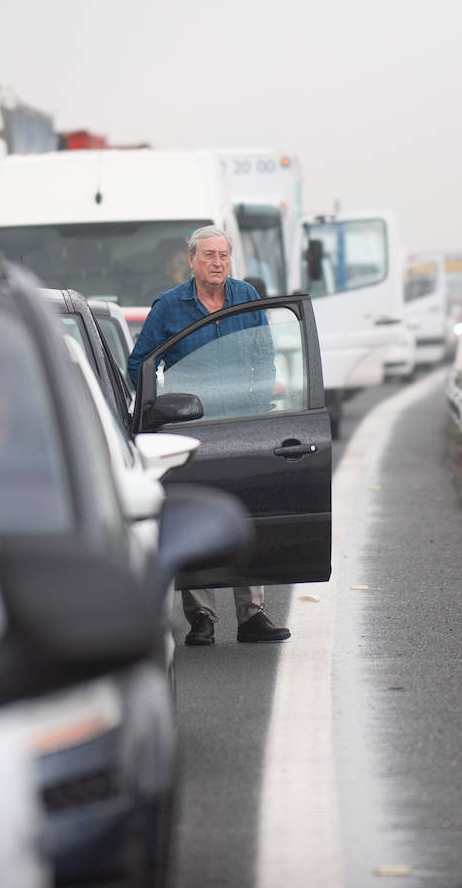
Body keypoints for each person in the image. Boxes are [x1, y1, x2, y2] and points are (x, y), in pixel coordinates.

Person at [127, 225, 290, 646]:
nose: (218, 263)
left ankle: (252, 616)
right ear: (192, 261)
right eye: (209, 255)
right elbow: (139, 365)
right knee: (198, 518)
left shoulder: (246, 298)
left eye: (223, 255)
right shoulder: (168, 307)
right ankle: (202, 618)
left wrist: (255, 405)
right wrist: (164, 406)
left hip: (243, 425)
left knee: (245, 514)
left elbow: (265, 356)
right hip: (191, 428)